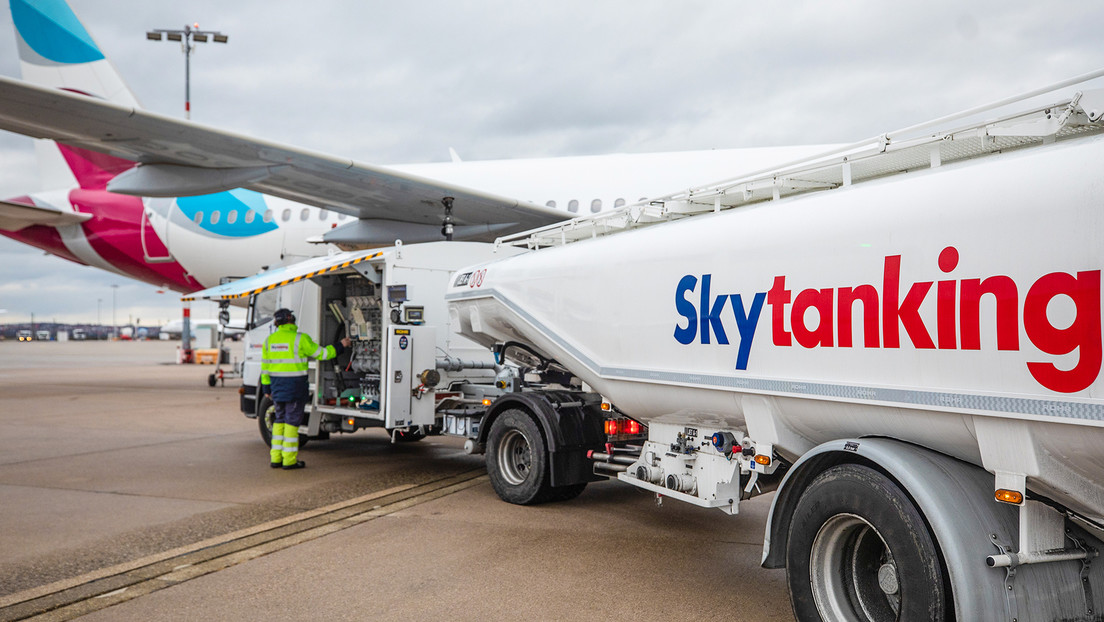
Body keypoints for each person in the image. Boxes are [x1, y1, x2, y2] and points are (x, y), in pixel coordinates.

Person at [261, 308, 351, 470]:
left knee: (279, 420)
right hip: (295, 388)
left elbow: (265, 368)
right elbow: (323, 354)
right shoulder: (300, 339)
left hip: (276, 388)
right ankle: (289, 461)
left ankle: (276, 458)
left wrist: (267, 388)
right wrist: (341, 345)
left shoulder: (269, 341)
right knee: (291, 424)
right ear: (291, 319)